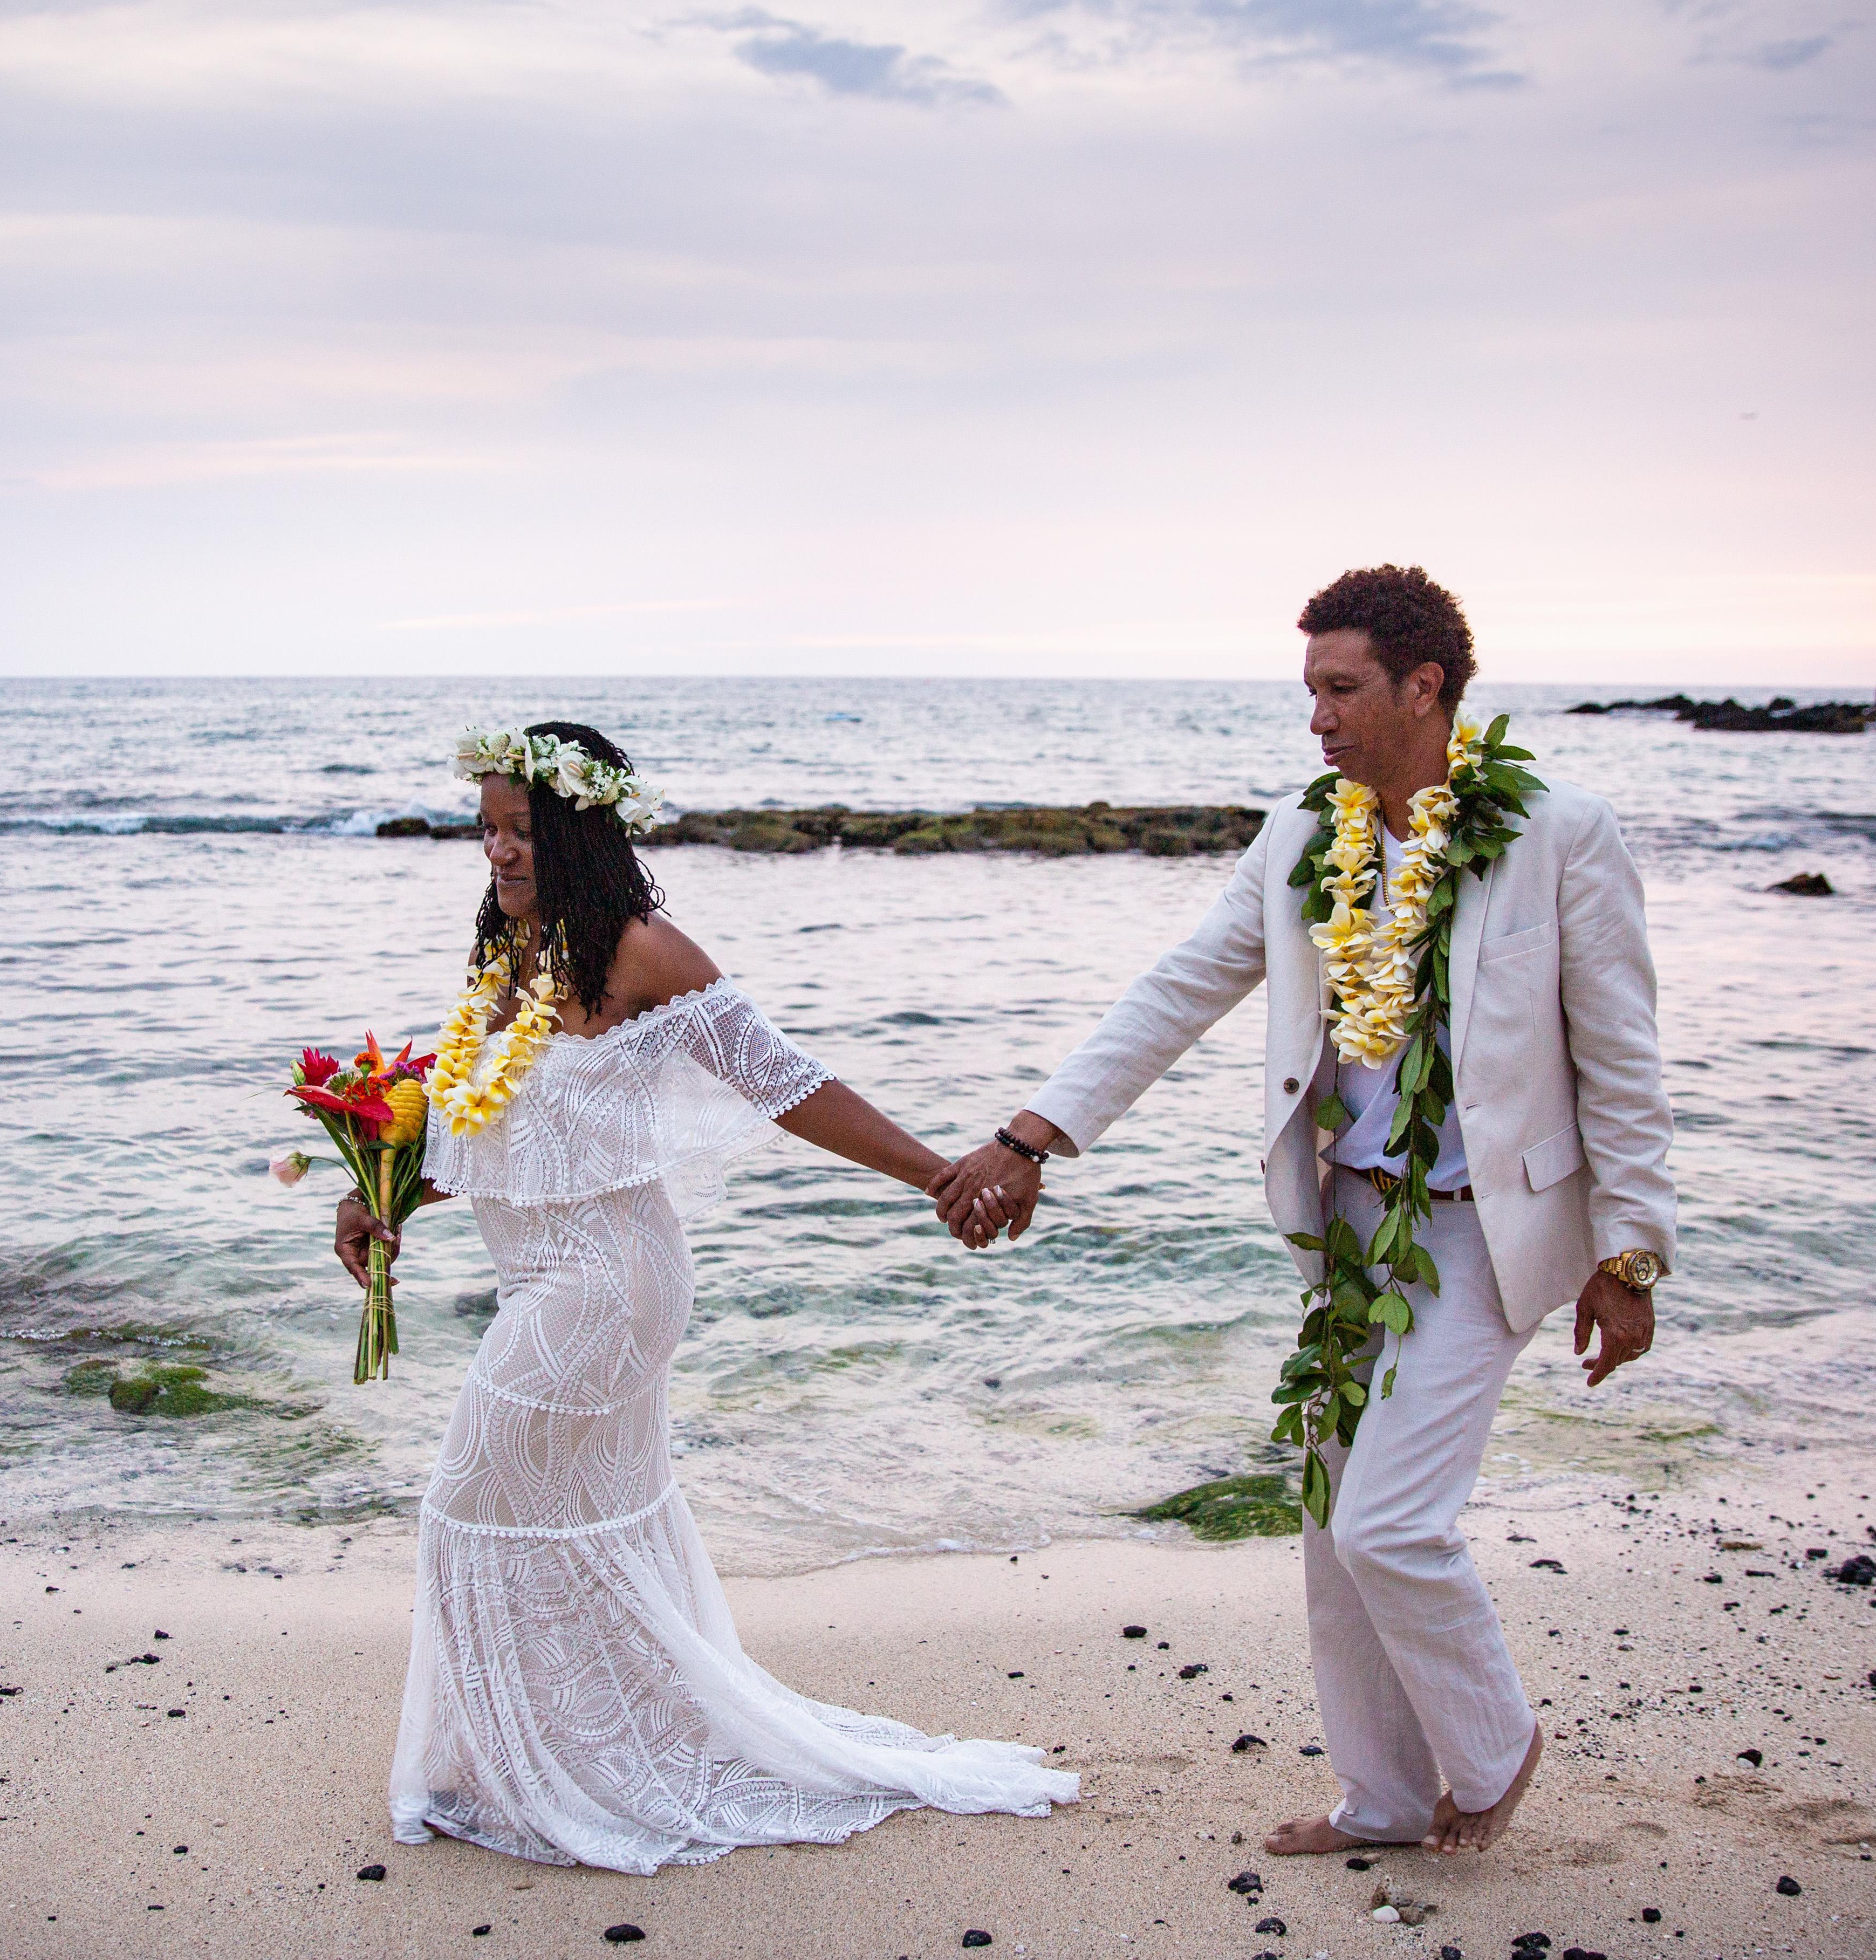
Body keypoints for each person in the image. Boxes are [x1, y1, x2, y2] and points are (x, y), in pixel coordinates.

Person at [930, 566, 1675, 1858]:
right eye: (1310, 691)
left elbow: (1621, 1056)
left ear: (1422, 687)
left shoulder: (1559, 831)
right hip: (1347, 1225)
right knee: (1335, 1519)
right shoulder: (1296, 838)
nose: (1317, 718)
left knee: (1391, 1520)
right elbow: (1175, 989)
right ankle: (1378, 1796)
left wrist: (1631, 1253)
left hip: (1486, 1228)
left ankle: (1493, 1748)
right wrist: (1028, 1136)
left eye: (1340, 689)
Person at [337, 718, 1075, 1874]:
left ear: (580, 832)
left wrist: (939, 1173)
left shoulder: (641, 950)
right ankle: (573, 1755)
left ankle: (557, 1767)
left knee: (470, 1501)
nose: (499, 850)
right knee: (565, 1518)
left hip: (606, 1283)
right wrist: (383, 1193)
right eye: (486, 829)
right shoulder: (509, 951)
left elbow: (788, 1083)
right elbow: (496, 1126)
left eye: (522, 829)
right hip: (539, 1278)